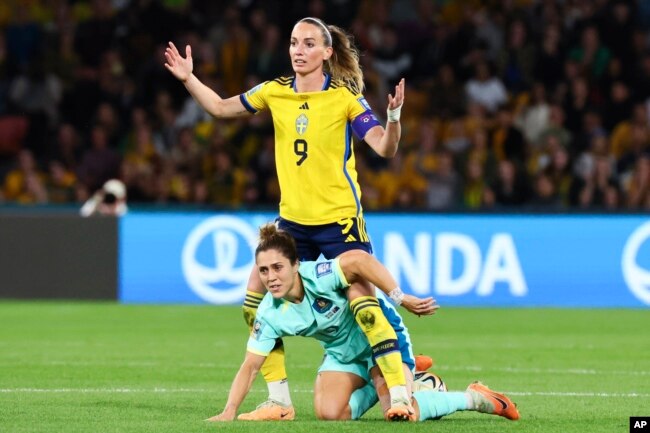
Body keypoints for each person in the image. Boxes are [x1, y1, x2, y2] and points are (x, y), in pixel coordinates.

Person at [165, 17, 432, 420]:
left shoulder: (344, 98)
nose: (298, 50)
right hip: (292, 223)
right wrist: (189, 78)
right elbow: (220, 107)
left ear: (327, 52)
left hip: (340, 221)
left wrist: (393, 119)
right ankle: (279, 400)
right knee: (255, 302)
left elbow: (384, 148)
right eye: (293, 43)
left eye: (308, 44)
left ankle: (399, 394)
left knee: (363, 302)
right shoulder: (274, 92)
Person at [206, 224, 520, 422]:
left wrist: (399, 296)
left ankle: (476, 397)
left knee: (399, 413)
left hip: (379, 340)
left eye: (278, 267)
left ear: (296, 265)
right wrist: (229, 411)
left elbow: (359, 260)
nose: (271, 277)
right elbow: (250, 366)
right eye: (264, 271)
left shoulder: (320, 275)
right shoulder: (270, 313)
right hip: (342, 354)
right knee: (330, 414)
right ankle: (411, 376)